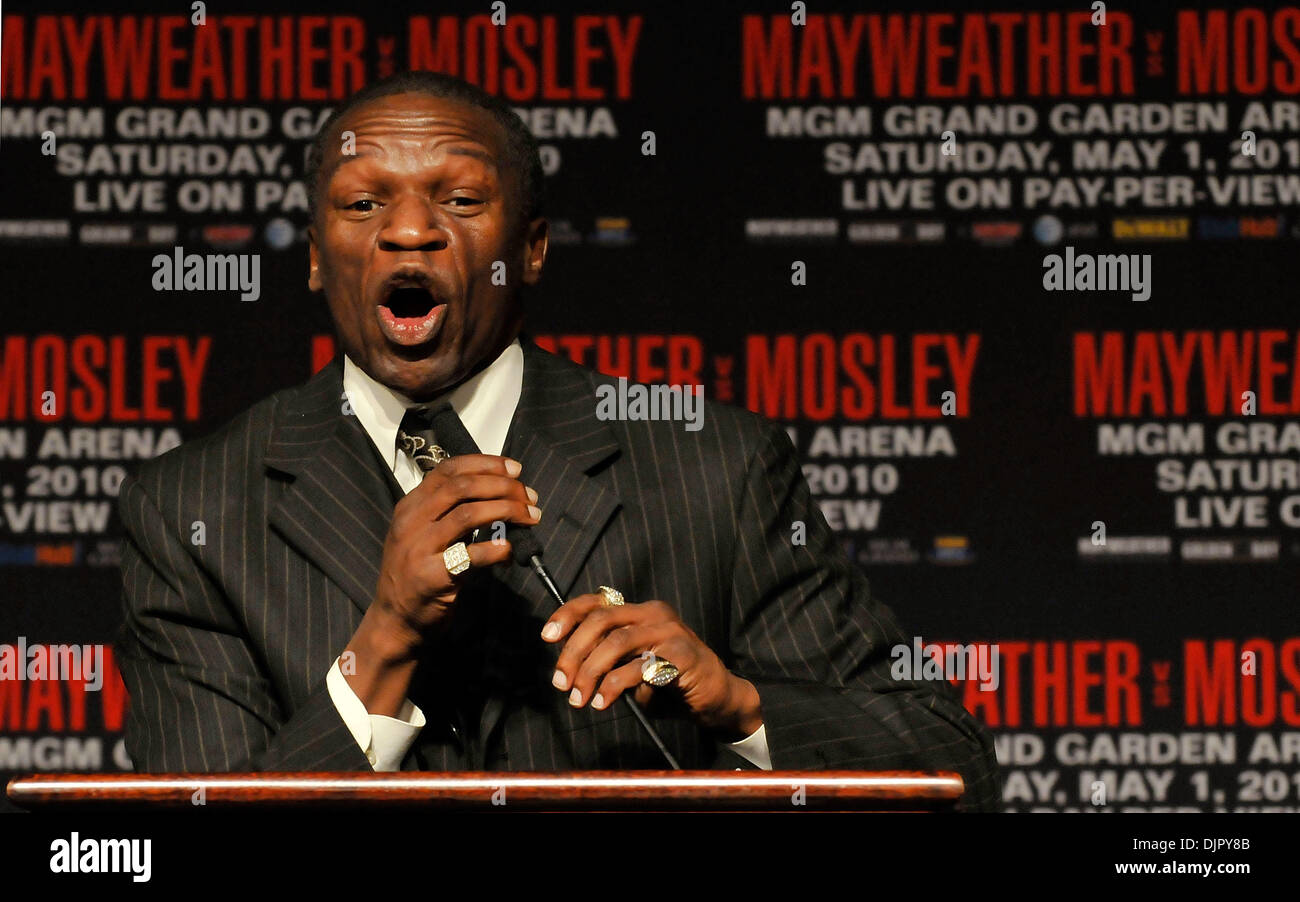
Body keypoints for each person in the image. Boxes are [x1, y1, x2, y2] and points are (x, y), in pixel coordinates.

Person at [115, 71, 1000, 810]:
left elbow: (952, 771)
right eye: (362, 201)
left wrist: (739, 706)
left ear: (531, 247)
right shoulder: (193, 510)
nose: (410, 228)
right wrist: (381, 643)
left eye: (460, 198)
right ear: (315, 255)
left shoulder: (715, 467)